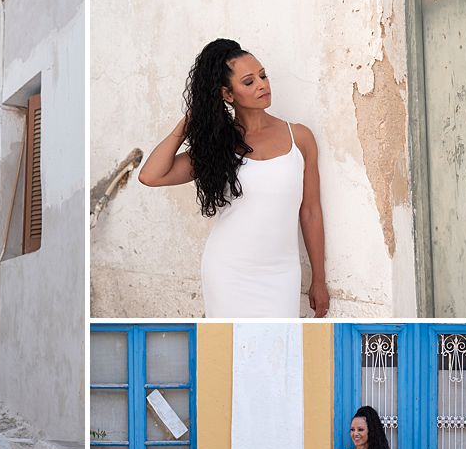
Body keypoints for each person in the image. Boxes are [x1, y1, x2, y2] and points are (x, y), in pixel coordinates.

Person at [137, 38, 328, 318]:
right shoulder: (217, 147)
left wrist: (319, 279)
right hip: (228, 272)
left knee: (277, 352)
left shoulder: (299, 137)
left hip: (281, 273)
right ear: (227, 94)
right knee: (228, 356)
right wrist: (188, 123)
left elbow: (310, 211)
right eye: (249, 82)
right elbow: (150, 175)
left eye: (263, 76)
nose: (262, 85)